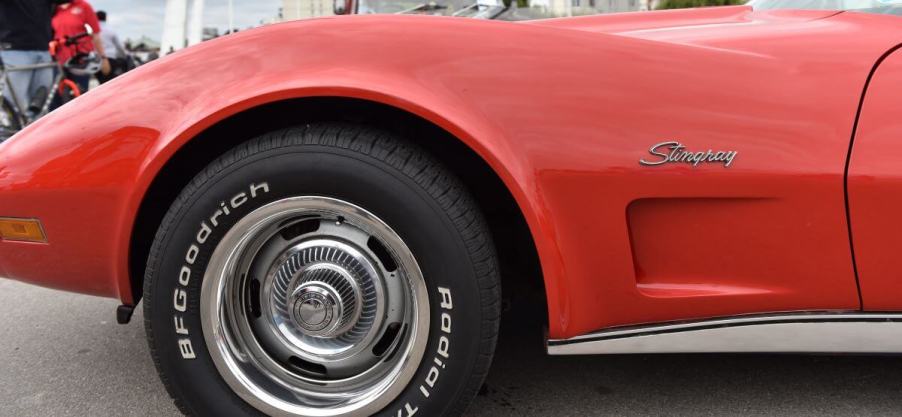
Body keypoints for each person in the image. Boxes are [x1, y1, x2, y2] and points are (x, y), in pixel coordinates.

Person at [0, 1, 56, 120]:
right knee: (13, 106)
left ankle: (37, 136)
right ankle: (7, 137)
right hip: (14, 49)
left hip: (43, 49)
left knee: (42, 106)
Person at [50, 0, 108, 97]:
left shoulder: (83, 6)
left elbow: (95, 34)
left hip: (81, 61)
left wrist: (103, 57)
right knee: (57, 99)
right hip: (59, 63)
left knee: (81, 95)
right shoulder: (52, 8)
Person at [95, 10, 128, 84]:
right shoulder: (111, 30)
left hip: (96, 59)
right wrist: (124, 56)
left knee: (100, 82)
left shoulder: (93, 31)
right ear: (106, 18)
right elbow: (119, 46)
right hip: (110, 59)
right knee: (109, 82)